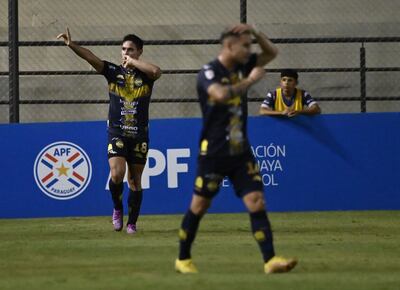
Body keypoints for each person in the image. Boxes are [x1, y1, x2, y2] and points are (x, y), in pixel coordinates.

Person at [175, 24, 297, 274]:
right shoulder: (209, 72)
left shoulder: (242, 65)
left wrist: (254, 30)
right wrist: (250, 81)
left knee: (256, 200)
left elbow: (272, 52)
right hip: (215, 152)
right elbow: (219, 95)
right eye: (245, 46)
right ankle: (183, 259)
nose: (249, 50)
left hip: (240, 151)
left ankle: (270, 260)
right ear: (229, 46)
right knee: (199, 206)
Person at [57, 28, 161, 234]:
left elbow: (157, 71)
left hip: (139, 134)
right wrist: (72, 46)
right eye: (123, 49)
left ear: (139, 51)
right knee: (116, 174)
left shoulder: (147, 75)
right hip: (117, 132)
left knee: (134, 180)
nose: (125, 53)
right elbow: (91, 58)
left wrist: (133, 63)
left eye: (130, 50)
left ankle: (132, 222)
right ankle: (117, 208)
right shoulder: (113, 72)